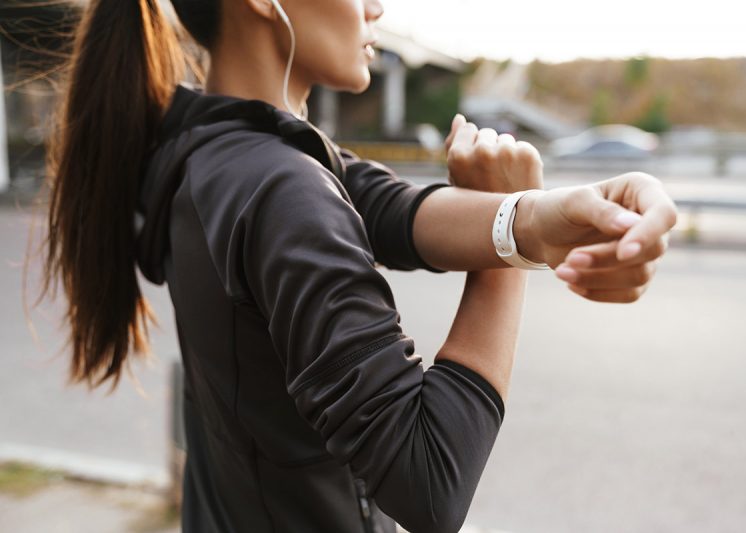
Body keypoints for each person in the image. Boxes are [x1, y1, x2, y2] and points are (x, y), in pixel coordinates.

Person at [39, 0, 676, 532]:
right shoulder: (278, 186)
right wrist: (506, 267)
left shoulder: (209, 153)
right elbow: (430, 481)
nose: (378, 7)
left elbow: (400, 213)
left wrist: (563, 213)